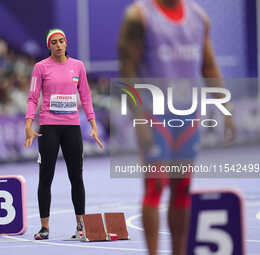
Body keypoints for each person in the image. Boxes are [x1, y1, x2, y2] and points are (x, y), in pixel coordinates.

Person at [118, 0, 236, 254]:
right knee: (155, 187)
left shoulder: (198, 17)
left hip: (188, 116)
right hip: (154, 116)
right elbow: (127, 70)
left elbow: (209, 65)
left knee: (182, 188)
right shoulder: (138, 16)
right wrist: (138, 115)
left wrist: (226, 108)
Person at [24, 28, 103, 240]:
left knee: (76, 177)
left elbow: (85, 96)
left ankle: (80, 226)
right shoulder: (40, 68)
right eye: (54, 42)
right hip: (49, 128)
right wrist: (29, 124)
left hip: (72, 129)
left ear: (66, 43)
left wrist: (93, 125)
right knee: (45, 177)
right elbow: (32, 98)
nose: (58, 45)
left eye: (61, 41)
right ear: (49, 46)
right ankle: (44, 227)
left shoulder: (78, 66)